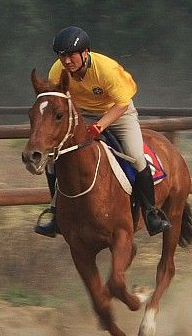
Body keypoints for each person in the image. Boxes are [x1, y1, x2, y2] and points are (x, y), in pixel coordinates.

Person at [35, 26, 171, 238]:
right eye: (62, 56)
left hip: (118, 113)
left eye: (71, 55)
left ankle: (151, 213)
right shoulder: (57, 71)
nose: (67, 61)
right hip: (81, 115)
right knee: (53, 159)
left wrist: (100, 126)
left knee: (136, 157)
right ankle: (56, 214)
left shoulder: (106, 69)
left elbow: (122, 104)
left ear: (85, 52)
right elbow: (56, 102)